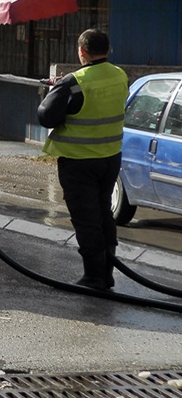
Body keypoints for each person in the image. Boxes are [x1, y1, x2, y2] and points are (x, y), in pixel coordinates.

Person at [38, 29, 128, 290]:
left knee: (87, 218)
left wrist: (58, 89)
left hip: (79, 162)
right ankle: (107, 273)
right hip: (110, 159)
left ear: (81, 52)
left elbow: (46, 117)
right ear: (108, 50)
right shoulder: (119, 75)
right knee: (103, 214)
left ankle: (94, 277)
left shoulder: (74, 82)